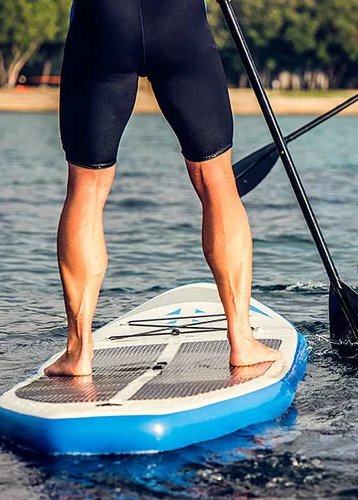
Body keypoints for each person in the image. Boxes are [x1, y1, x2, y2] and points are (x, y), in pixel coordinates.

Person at [45, 0, 280, 376]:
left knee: (86, 189)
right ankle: (241, 339)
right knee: (217, 182)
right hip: (178, 22)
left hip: (101, 24)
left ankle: (78, 352)